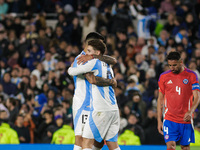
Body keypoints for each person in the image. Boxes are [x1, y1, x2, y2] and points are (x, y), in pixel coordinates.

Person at [68, 39, 121, 150]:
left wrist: (72, 66)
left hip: (101, 109)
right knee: (113, 145)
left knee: (86, 143)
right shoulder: (108, 65)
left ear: (97, 53)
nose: (86, 54)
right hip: (114, 109)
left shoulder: (93, 62)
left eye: (89, 51)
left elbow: (71, 72)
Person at [157, 51, 200, 150]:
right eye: (170, 65)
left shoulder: (191, 75)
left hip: (185, 119)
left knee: (185, 147)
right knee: (170, 146)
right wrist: (159, 121)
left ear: (181, 62)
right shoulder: (163, 76)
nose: (172, 68)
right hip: (169, 119)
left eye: (174, 65)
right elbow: (160, 99)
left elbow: (197, 97)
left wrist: (191, 111)